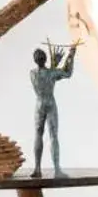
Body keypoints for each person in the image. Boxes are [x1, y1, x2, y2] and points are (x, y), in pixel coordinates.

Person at [29, 41, 78, 177]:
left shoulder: (32, 73)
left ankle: (37, 169)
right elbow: (67, 73)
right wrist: (71, 55)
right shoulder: (51, 72)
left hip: (39, 104)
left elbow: (48, 75)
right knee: (53, 135)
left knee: (38, 134)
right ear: (45, 59)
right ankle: (57, 169)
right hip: (50, 103)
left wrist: (54, 65)